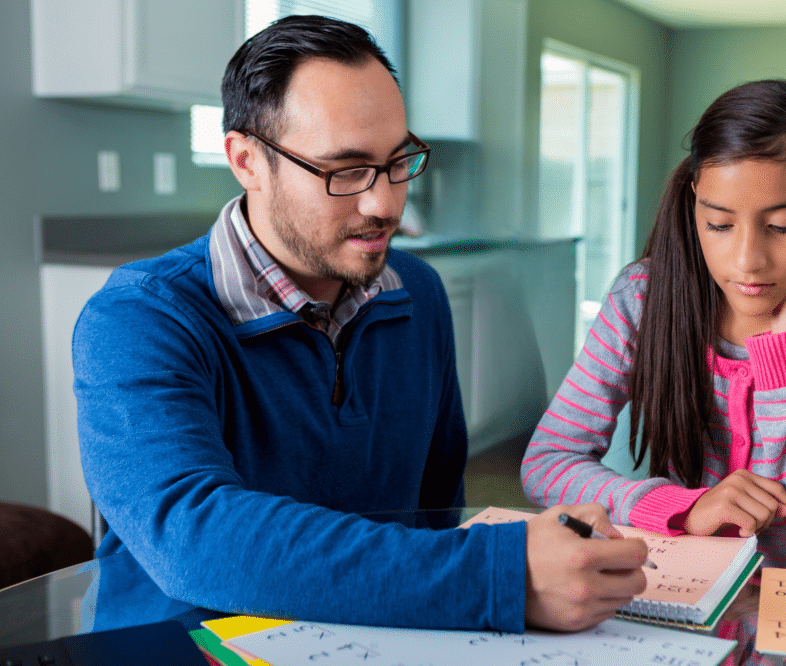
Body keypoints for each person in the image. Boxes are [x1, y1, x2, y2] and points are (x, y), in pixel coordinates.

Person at [73, 15, 647, 634]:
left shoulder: (416, 293)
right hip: (177, 639)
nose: (385, 204)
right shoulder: (141, 317)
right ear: (245, 161)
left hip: (369, 635)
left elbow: (432, 509)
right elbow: (192, 534)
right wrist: (498, 574)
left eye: (397, 161)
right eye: (343, 171)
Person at [522, 79, 786, 576]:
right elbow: (547, 463)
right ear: (696, 201)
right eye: (718, 224)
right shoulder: (645, 296)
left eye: (782, 226)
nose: (747, 260)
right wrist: (682, 507)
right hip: (679, 596)